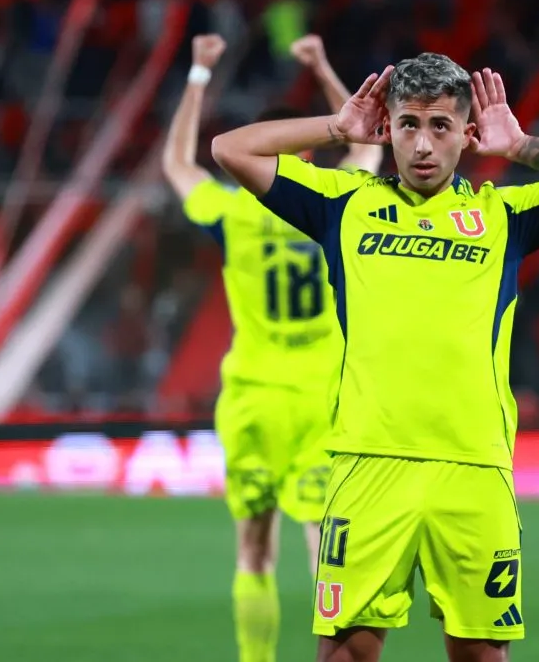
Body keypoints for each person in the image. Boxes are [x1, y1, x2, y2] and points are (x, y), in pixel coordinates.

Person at [212, 52, 539, 662]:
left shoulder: (504, 215)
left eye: (441, 126)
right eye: (408, 123)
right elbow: (231, 149)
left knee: (479, 655)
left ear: (468, 133)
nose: (423, 144)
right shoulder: (344, 203)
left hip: (473, 467)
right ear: (388, 127)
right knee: (345, 654)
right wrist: (336, 129)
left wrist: (519, 147)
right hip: (368, 462)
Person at [162, 33, 383, 662]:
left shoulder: (234, 211)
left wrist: (199, 75)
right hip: (324, 397)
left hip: (254, 394)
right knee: (326, 552)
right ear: (310, 156)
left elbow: (178, 166)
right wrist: (322, 66)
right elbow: (366, 144)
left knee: (254, 550)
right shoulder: (333, 203)